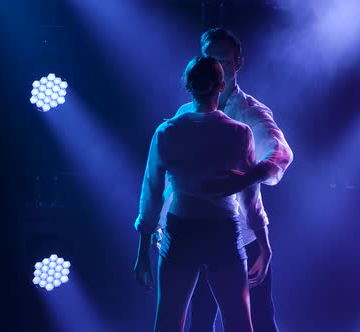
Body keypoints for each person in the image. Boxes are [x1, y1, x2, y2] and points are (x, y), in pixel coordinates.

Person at [133, 56, 273, 332]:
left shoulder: (167, 132)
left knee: (168, 322)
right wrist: (264, 245)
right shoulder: (239, 133)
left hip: (181, 231)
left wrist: (142, 250)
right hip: (222, 231)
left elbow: (151, 193)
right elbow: (250, 198)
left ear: (188, 85)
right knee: (239, 323)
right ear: (221, 85)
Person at [176, 28, 293, 332]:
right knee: (199, 322)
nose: (216, 69)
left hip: (242, 238)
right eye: (209, 60)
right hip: (195, 236)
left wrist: (247, 177)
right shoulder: (185, 113)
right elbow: (170, 176)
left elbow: (281, 153)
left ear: (238, 62)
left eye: (224, 62)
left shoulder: (250, 113)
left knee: (258, 321)